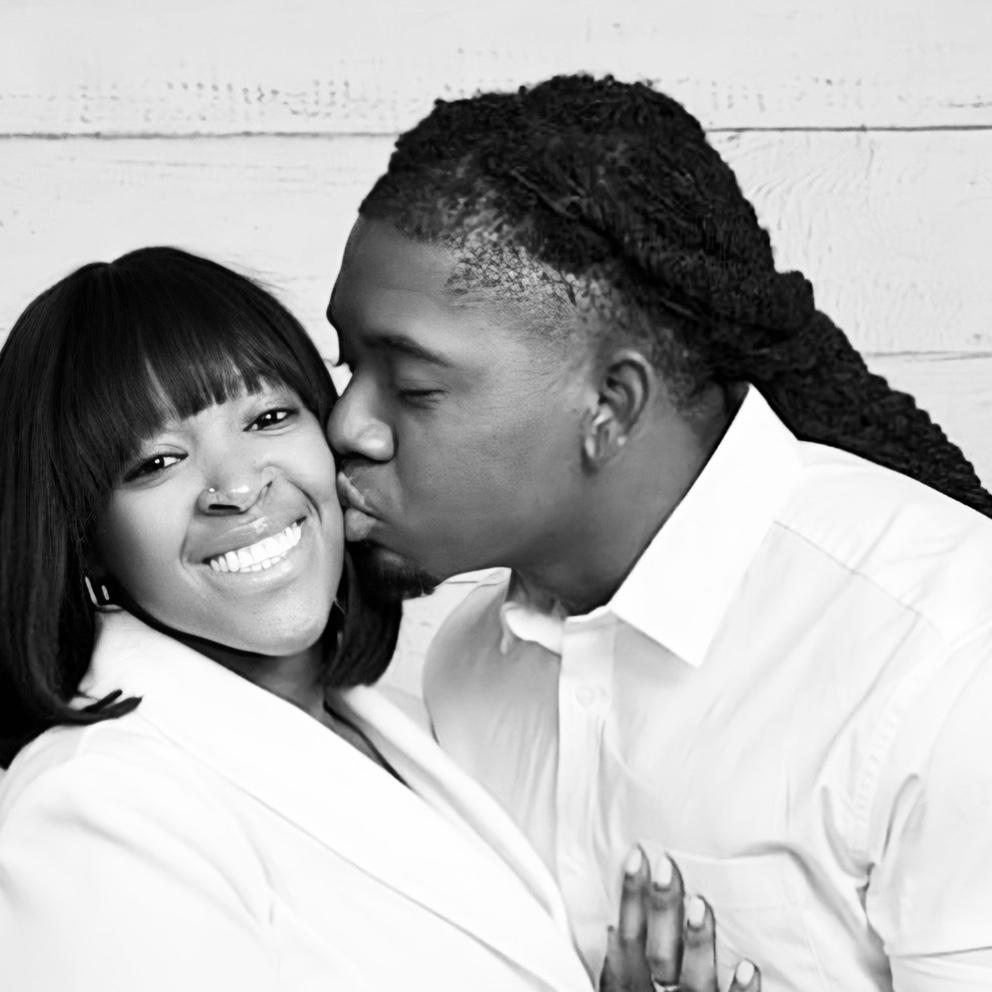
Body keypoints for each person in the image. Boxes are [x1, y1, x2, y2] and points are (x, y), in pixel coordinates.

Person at [327, 74, 992, 991]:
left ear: (612, 405)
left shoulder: (946, 658)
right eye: (346, 367)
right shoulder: (471, 665)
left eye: (412, 387)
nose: (347, 426)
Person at [0, 247, 760, 992]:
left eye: (268, 416)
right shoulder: (95, 805)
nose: (237, 486)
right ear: (85, 538)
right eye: (156, 464)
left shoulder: (403, 720)